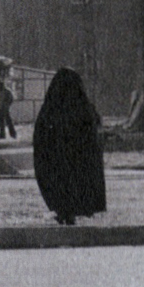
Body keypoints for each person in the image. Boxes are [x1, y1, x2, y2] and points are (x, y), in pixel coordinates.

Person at [32, 68, 106, 226]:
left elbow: (41, 133)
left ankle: (64, 211)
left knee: (61, 183)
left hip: (57, 159)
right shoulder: (83, 106)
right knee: (74, 183)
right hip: (77, 158)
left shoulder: (52, 107)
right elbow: (94, 132)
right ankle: (72, 210)